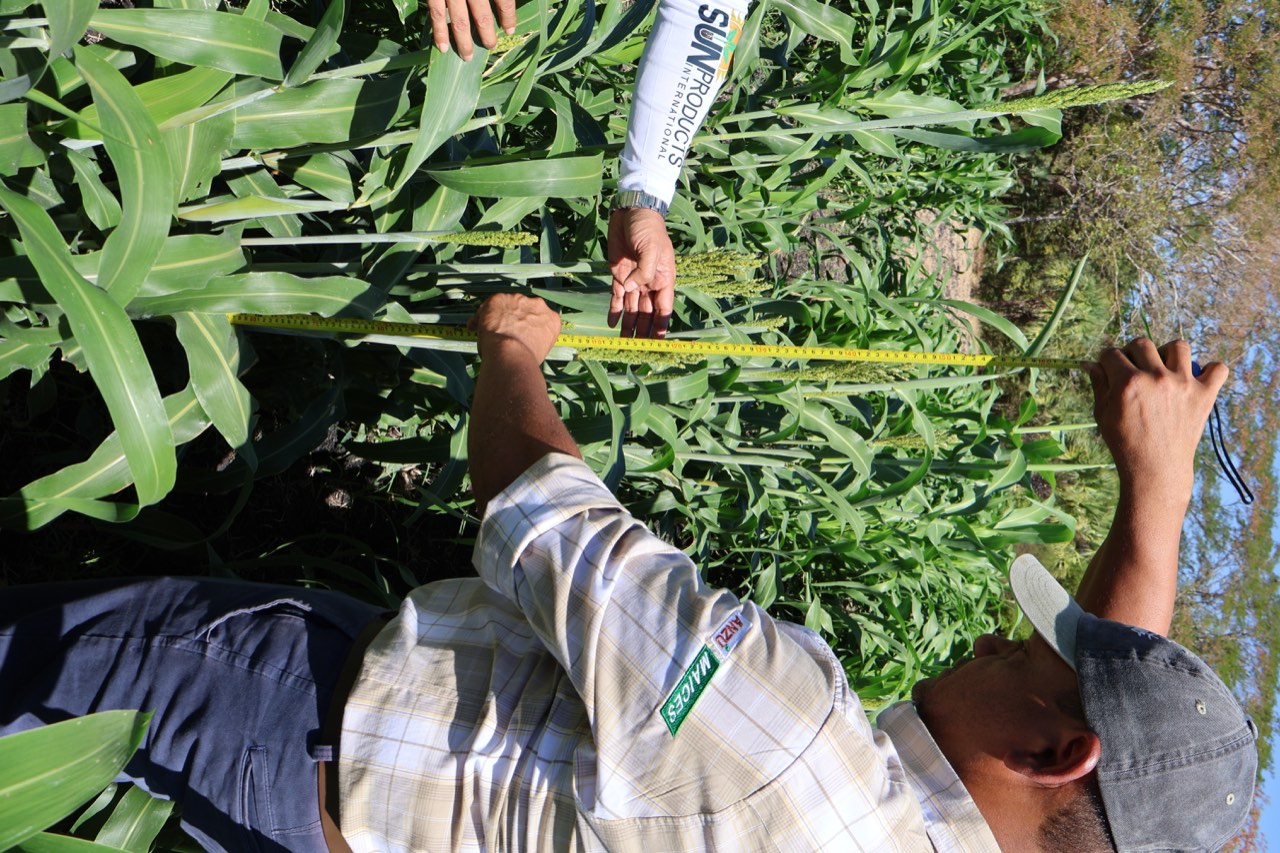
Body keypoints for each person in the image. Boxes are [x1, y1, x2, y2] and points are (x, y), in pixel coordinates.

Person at [0, 296, 1258, 852]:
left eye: (1023, 656)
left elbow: (538, 514)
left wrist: (511, 347)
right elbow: (1108, 788)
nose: (993, 642)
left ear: (1051, 754)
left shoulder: (796, 747)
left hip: (269, 727)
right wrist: (1158, 487)